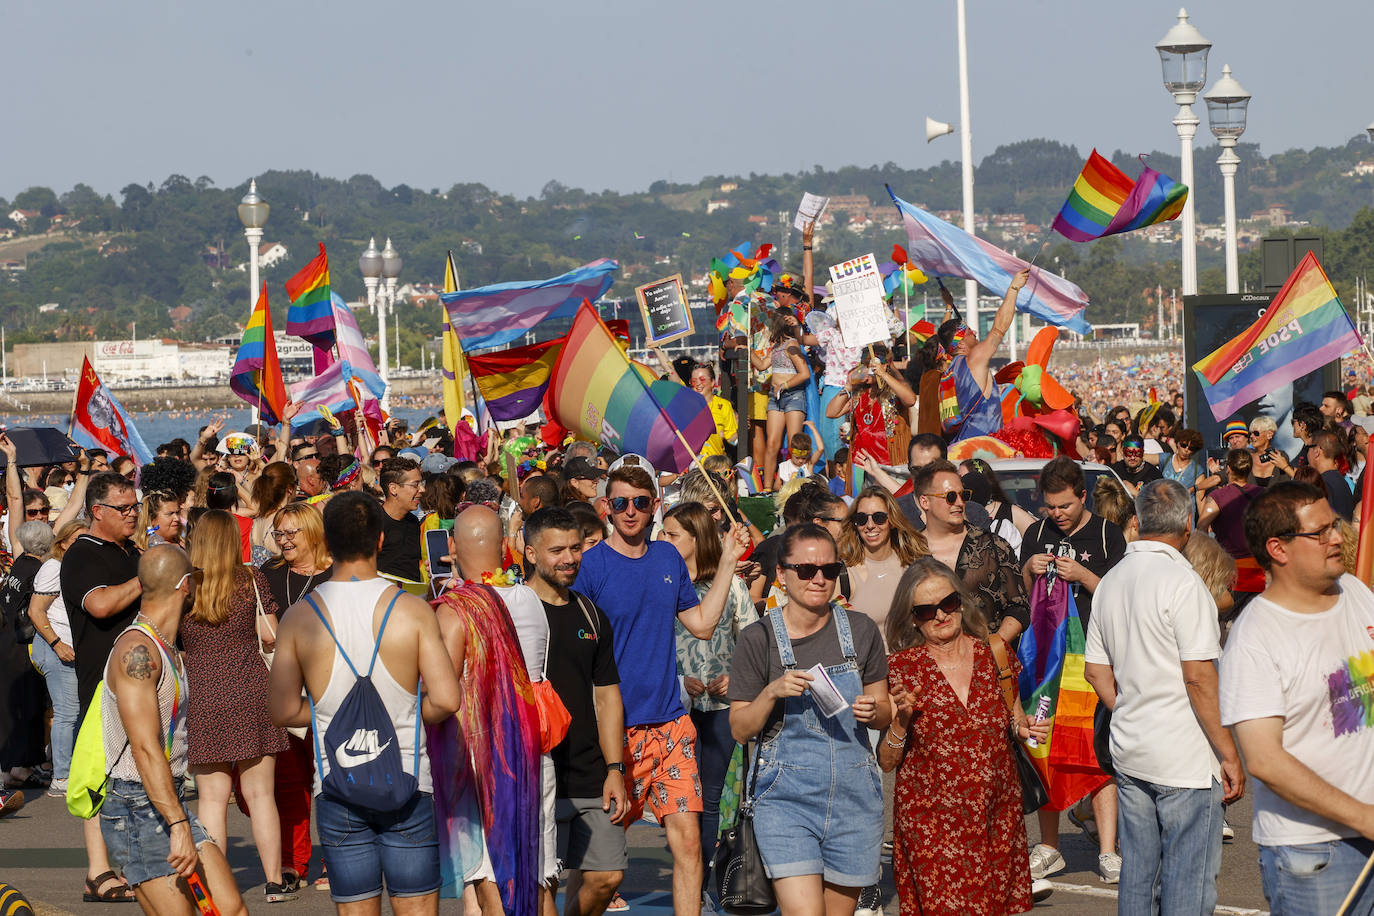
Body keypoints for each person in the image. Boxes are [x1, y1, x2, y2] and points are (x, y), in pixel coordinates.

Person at [269, 491, 461, 915]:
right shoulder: (411, 611)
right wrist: (407, 713)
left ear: (326, 543)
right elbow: (447, 699)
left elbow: (282, 710)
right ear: (379, 540)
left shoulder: (299, 617)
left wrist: (325, 715)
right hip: (408, 779)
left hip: (337, 784)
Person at [573, 464, 748, 916]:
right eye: (619, 502)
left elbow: (704, 626)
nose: (630, 511)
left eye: (640, 502)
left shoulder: (668, 558)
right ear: (606, 508)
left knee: (688, 842)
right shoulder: (590, 567)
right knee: (596, 866)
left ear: (655, 506)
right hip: (613, 730)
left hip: (671, 724)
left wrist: (728, 560)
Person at [1083, 480, 1244, 911]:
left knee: (1139, 873)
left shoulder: (1113, 580)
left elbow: (1096, 671)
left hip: (1133, 745)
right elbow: (1199, 678)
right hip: (1184, 756)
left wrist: (1130, 708)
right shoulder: (1184, 583)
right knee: (1187, 884)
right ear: (1188, 525)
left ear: (1136, 522)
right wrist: (1228, 754)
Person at [1218, 481, 1374, 914]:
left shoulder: (1357, 594)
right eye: (1320, 532)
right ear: (1278, 549)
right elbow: (1266, 761)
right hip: (1314, 855)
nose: (1338, 538)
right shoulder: (1256, 637)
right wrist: (1364, 817)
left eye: (1336, 526)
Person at [727, 523, 889, 916]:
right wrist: (771, 692)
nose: (819, 579)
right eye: (806, 570)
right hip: (785, 801)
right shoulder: (759, 638)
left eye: (830, 571)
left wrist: (874, 710)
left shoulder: (862, 630)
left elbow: (884, 709)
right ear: (781, 573)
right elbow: (739, 728)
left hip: (855, 798)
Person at [878, 558, 1048, 914]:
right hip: (933, 827)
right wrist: (901, 722)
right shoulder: (900, 668)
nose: (940, 615)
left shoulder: (995, 654)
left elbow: (1014, 723)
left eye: (948, 603)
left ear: (961, 601)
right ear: (912, 618)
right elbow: (888, 761)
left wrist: (1024, 728)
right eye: (926, 610)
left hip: (996, 818)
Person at [99, 544, 248, 916]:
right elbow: (145, 748)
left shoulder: (166, 647)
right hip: (137, 805)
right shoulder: (137, 652)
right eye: (194, 578)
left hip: (166, 796)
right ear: (184, 585)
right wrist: (178, 823)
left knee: (230, 909)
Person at [444, 504, 560, 912]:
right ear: (508, 547)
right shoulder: (530, 599)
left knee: (490, 876)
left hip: (482, 761)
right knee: (537, 870)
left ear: (452, 547)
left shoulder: (454, 609)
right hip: (532, 751)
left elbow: (443, 692)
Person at [1017, 456, 1125, 881]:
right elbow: (1022, 595)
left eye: (1065, 505)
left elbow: (1121, 599)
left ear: (1083, 497)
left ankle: (1107, 849)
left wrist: (1084, 574)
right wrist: (1029, 569)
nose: (1057, 514)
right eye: (1050, 506)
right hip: (1044, 663)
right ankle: (1048, 845)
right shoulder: (1037, 532)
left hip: (1093, 662)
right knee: (1044, 748)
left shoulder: (1106, 533)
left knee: (1096, 753)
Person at [180, 509, 294, 902]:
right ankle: (275, 881)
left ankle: (216, 884)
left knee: (211, 799)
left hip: (203, 695)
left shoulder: (186, 586)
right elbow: (270, 635)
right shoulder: (251, 579)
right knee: (262, 795)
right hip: (251, 691)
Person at [523, 508, 629, 916]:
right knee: (541, 887)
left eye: (575, 547)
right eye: (557, 550)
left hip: (589, 771)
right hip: (534, 770)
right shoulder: (511, 610)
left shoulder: (590, 614)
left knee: (607, 877)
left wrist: (615, 768)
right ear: (530, 552)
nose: (569, 557)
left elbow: (606, 696)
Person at [661, 502, 758, 881]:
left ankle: (706, 880)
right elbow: (650, 644)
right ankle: (690, 870)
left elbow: (752, 642)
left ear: (696, 538)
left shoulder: (730, 584)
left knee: (712, 796)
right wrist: (678, 676)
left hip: (720, 708)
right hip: (675, 706)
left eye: (671, 534)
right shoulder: (664, 583)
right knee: (684, 800)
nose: (663, 540)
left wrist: (736, 678)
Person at [61, 470, 144, 903]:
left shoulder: (131, 550)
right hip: (101, 685)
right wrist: (148, 577)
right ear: (97, 511)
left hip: (143, 681)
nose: (133, 514)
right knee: (99, 778)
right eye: (123, 508)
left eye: (135, 506)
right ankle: (98, 872)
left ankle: (138, 861)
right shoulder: (82, 553)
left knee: (141, 774)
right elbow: (99, 603)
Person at [257, 502, 330, 890]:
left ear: (313, 532)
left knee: (332, 778)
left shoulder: (336, 574)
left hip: (327, 688)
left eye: (290, 534)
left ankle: (337, 858)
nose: (282, 542)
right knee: (288, 780)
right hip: (280, 686)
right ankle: (292, 861)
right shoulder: (269, 573)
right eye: (278, 534)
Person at [914, 461, 1029, 643]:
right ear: (925, 501)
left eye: (963, 495)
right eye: (951, 497)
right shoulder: (907, 551)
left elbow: (1019, 607)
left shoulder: (994, 546)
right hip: (927, 665)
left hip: (986, 664)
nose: (960, 503)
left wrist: (994, 647)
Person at [26, 520, 86, 796]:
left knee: (72, 713)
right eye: (76, 540)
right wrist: (57, 643)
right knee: (66, 713)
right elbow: (36, 611)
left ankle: (69, 770)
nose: (82, 545)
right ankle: (61, 776)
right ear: (62, 543)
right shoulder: (53, 567)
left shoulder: (78, 566)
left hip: (71, 647)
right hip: (55, 647)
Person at [934, 269, 1029, 442]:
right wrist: (1014, 288)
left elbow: (944, 339)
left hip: (960, 445)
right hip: (983, 447)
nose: (975, 332)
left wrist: (949, 306)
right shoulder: (973, 359)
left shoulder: (950, 367)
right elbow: (999, 328)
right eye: (969, 332)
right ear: (961, 344)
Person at [839, 485, 928, 643]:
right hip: (871, 665)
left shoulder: (914, 563)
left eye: (879, 517)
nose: (870, 525)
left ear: (892, 521)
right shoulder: (844, 574)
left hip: (912, 660)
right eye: (861, 519)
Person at [752, 313, 811, 491]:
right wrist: (747, 349)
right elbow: (762, 365)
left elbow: (804, 373)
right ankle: (768, 488)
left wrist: (784, 385)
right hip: (776, 398)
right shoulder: (777, 346)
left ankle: (796, 485)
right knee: (772, 443)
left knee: (795, 444)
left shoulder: (792, 345)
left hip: (793, 396)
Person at [1197, 449, 1266, 600]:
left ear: (1228, 468)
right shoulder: (1264, 494)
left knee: (1232, 620)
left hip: (1232, 571)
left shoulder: (1218, 497)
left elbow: (1201, 528)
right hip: (1262, 571)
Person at [377, 457, 425, 587]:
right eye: (415, 485)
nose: (422, 490)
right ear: (393, 489)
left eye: (421, 484)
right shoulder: (373, 524)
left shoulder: (413, 521)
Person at [689, 363, 739, 460]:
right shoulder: (685, 405)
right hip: (692, 467)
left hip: (715, 465)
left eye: (702, 379)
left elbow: (732, 440)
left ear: (712, 382)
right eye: (694, 381)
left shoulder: (724, 405)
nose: (698, 384)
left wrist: (741, 428)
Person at [1307, 430, 1355, 520]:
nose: (1307, 454)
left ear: (1317, 452)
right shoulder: (1339, 480)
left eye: (1308, 448)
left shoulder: (1324, 483)